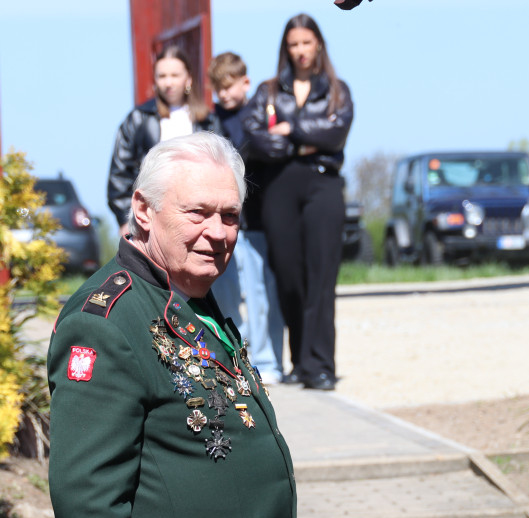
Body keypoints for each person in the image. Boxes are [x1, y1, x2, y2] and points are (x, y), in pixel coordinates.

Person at [48, 132, 307, 518]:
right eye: (198, 213)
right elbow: (85, 494)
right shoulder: (107, 322)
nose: (217, 233)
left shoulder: (190, 300)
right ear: (143, 210)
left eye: (230, 216)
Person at [241, 13, 354, 391]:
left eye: (306, 42)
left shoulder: (338, 90)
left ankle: (319, 365)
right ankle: (300, 358)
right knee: (288, 276)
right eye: (294, 44)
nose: (301, 51)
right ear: (285, 49)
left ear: (318, 43)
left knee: (321, 278)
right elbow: (255, 137)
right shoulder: (268, 91)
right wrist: (303, 140)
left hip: (323, 186)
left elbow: (336, 133)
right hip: (279, 187)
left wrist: (291, 130)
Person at [206, 51, 285, 384]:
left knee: (260, 294)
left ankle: (268, 362)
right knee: (224, 294)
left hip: (256, 220)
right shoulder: (209, 119)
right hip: (223, 220)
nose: (224, 94)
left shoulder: (261, 112)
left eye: (229, 86)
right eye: (218, 88)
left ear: (245, 82)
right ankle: (233, 358)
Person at [107, 45, 215, 237]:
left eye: (175, 75)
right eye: (162, 76)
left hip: (199, 216)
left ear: (188, 78)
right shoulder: (139, 118)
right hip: (152, 216)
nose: (168, 82)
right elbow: (119, 174)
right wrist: (126, 219)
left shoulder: (208, 121)